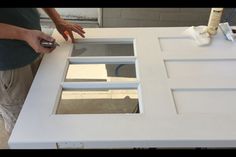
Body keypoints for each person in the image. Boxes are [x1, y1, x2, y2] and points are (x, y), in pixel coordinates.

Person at [0, 8, 85, 134]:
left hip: (35, 46)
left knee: (43, 111)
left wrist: (57, 19)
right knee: (23, 128)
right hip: (10, 64)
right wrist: (25, 34)